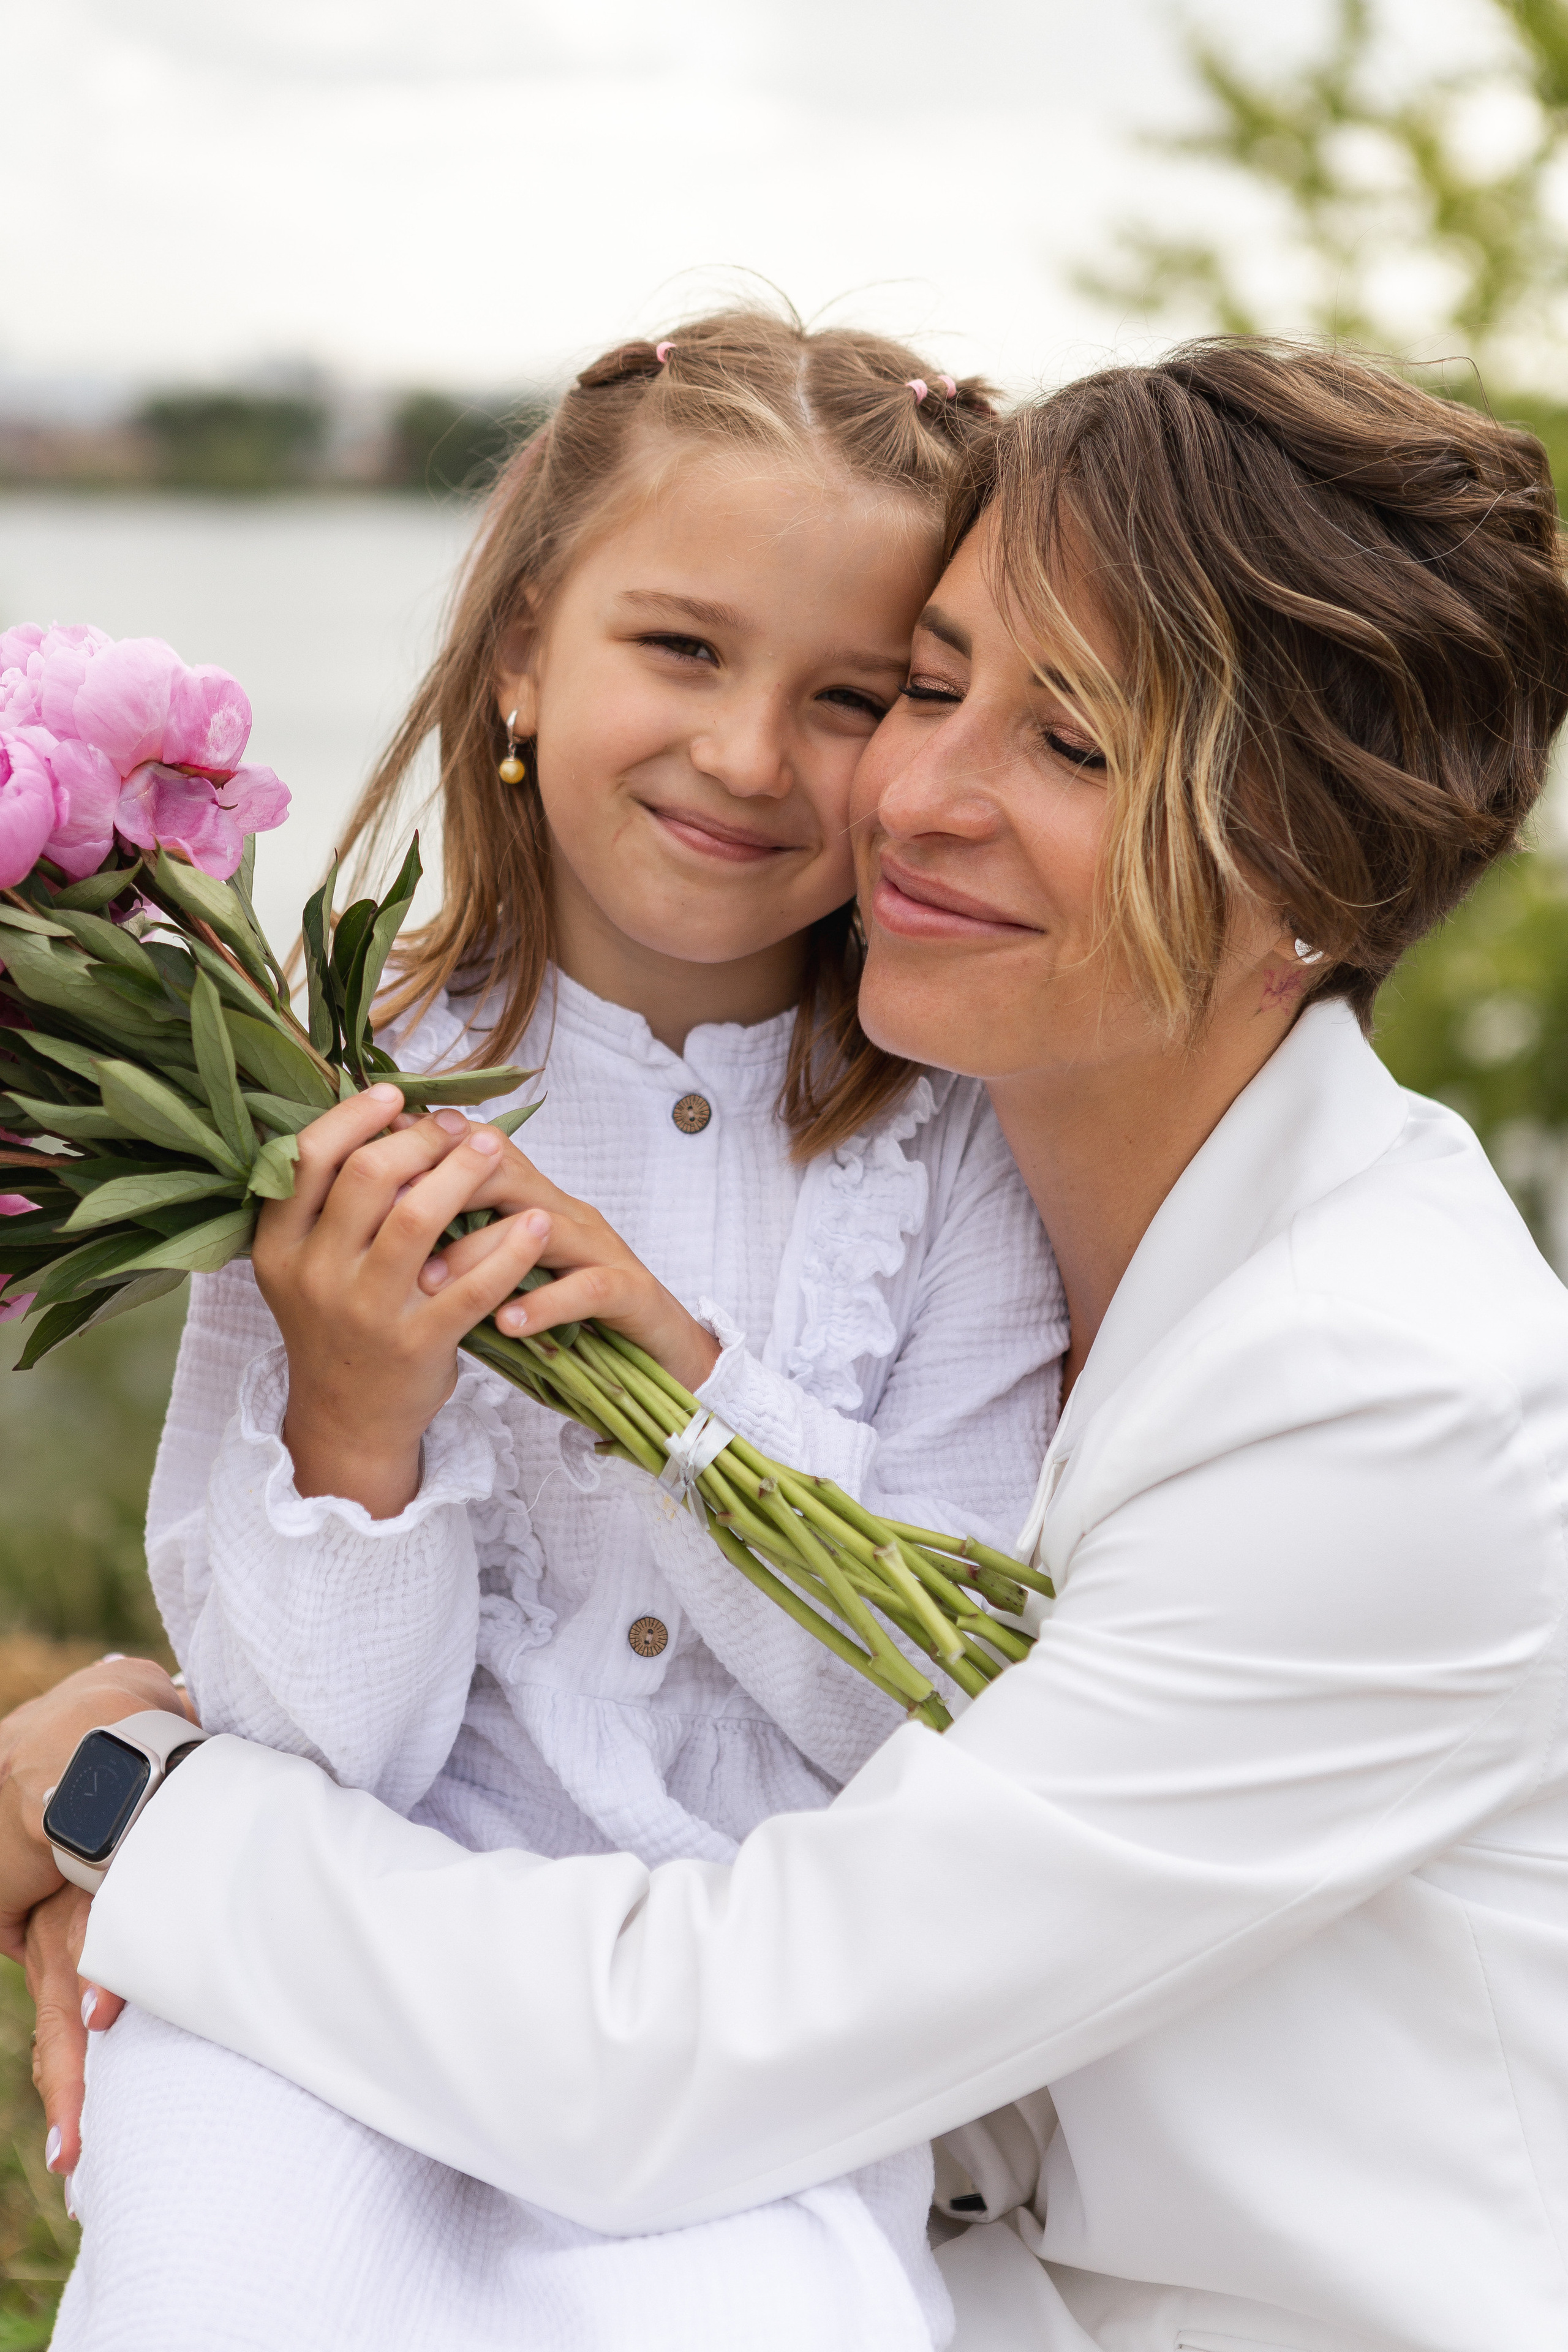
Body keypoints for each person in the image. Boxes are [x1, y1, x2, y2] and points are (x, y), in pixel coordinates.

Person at [11, 336, 1568, 2352]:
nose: (894, 787)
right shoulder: (1009, 1136)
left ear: (1311, 878)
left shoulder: (1394, 1411)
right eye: (931, 682)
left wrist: (127, 1804)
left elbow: (702, 2048)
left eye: (1072, 747)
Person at [23, 311, 1065, 2352]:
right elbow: (308, 1757)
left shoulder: (956, 1147)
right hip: (327, 1983)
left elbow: (934, 1714)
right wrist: (355, 1424)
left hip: (751, 2007)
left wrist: (684, 1387)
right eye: (679, 650)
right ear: (521, 653)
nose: (753, 755)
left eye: (851, 695)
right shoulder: (331, 1089)